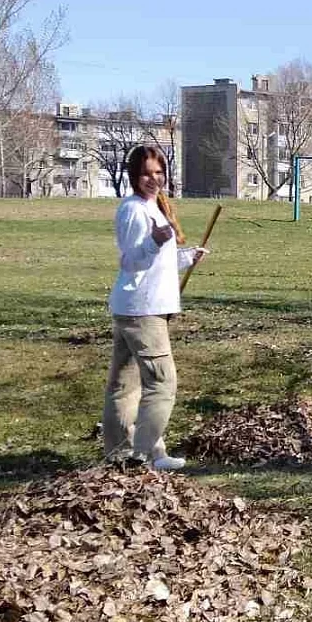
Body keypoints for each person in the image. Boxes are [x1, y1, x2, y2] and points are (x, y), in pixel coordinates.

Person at [103, 145, 208, 470]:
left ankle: (120, 453)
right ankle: (143, 456)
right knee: (162, 383)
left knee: (124, 386)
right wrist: (155, 241)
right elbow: (131, 261)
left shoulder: (151, 207)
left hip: (135, 307)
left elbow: (155, 262)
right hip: (142, 310)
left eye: (159, 172)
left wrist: (186, 257)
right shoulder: (135, 210)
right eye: (147, 173)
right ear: (134, 174)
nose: (154, 179)